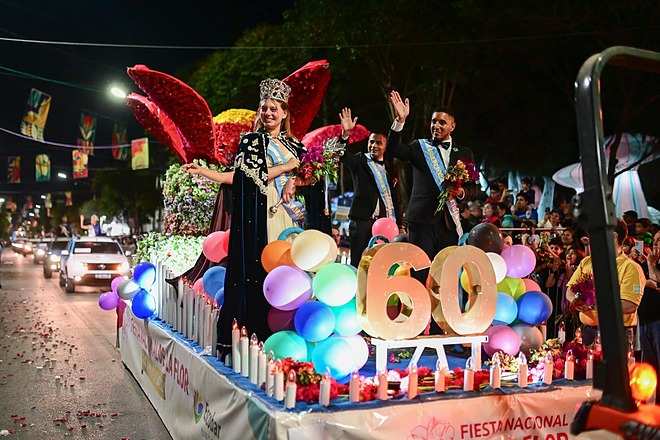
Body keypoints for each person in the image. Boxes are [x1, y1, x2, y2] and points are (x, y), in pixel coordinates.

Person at [216, 78, 326, 348]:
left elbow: (313, 178)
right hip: (262, 215)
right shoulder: (251, 142)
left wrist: (295, 179)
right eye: (264, 108)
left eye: (274, 108)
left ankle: (291, 326)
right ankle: (259, 328)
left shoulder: (297, 147)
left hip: (291, 217)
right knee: (266, 267)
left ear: (285, 113)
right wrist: (286, 167)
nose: (268, 113)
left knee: (290, 268)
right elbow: (247, 178)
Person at [386, 90, 477, 261]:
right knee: (421, 270)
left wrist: (461, 193)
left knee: (445, 273)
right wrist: (400, 121)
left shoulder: (464, 153)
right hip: (421, 222)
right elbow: (392, 150)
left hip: (449, 224)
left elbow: (474, 188)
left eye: (442, 122)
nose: (436, 125)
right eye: (434, 121)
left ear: (452, 126)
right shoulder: (419, 147)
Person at [566, 220, 646, 347]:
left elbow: (629, 305)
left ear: (613, 236)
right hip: (588, 330)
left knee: (614, 367)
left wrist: (592, 303)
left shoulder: (630, 268)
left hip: (616, 333)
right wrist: (577, 300)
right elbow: (570, 290)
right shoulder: (587, 262)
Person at [338, 108, 399, 267]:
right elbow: (343, 155)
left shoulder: (390, 167)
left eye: (379, 142)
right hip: (361, 221)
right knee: (358, 262)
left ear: (385, 146)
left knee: (381, 263)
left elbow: (394, 197)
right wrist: (345, 135)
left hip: (384, 223)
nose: (373, 145)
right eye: (371, 142)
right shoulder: (360, 161)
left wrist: (400, 221)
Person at [639, 231, 660, 371]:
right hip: (643, 322)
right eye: (655, 240)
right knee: (649, 369)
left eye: (659, 241)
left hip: (658, 322)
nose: (655, 243)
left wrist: (651, 264)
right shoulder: (645, 264)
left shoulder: (651, 264)